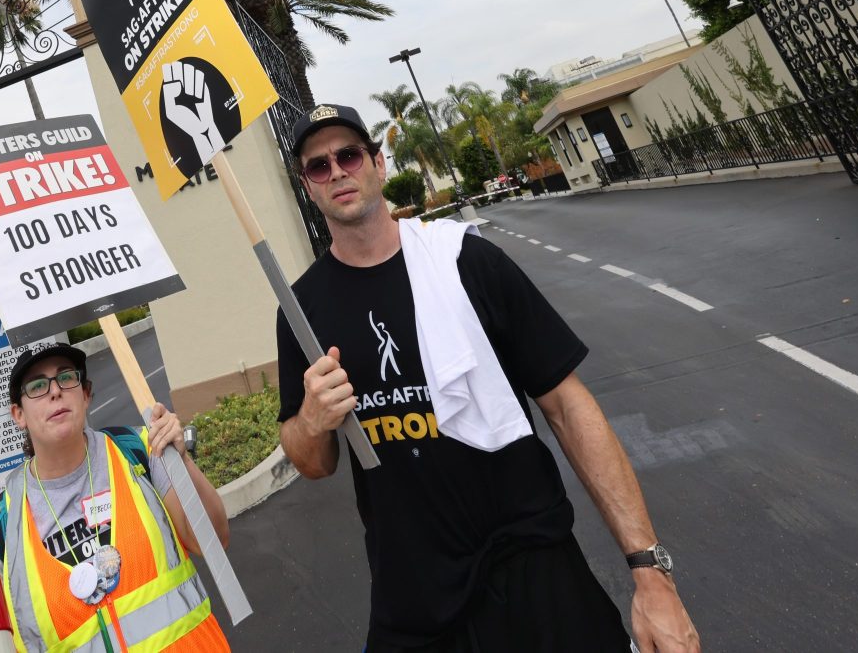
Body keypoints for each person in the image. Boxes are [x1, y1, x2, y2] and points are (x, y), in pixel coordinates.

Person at [276, 103, 700, 653]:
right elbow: (312, 461)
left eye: (349, 155)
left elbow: (568, 408)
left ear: (377, 165)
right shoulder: (302, 312)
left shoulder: (467, 263)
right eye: (318, 166)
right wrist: (312, 419)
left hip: (534, 567)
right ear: (308, 187)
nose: (337, 172)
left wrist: (650, 571)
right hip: (416, 597)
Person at [0, 342, 231, 652]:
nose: (55, 391)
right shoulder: (2, 523)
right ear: (18, 414)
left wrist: (182, 459)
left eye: (66, 378)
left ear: (85, 395)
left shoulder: (140, 449)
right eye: (37, 385)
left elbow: (215, 538)